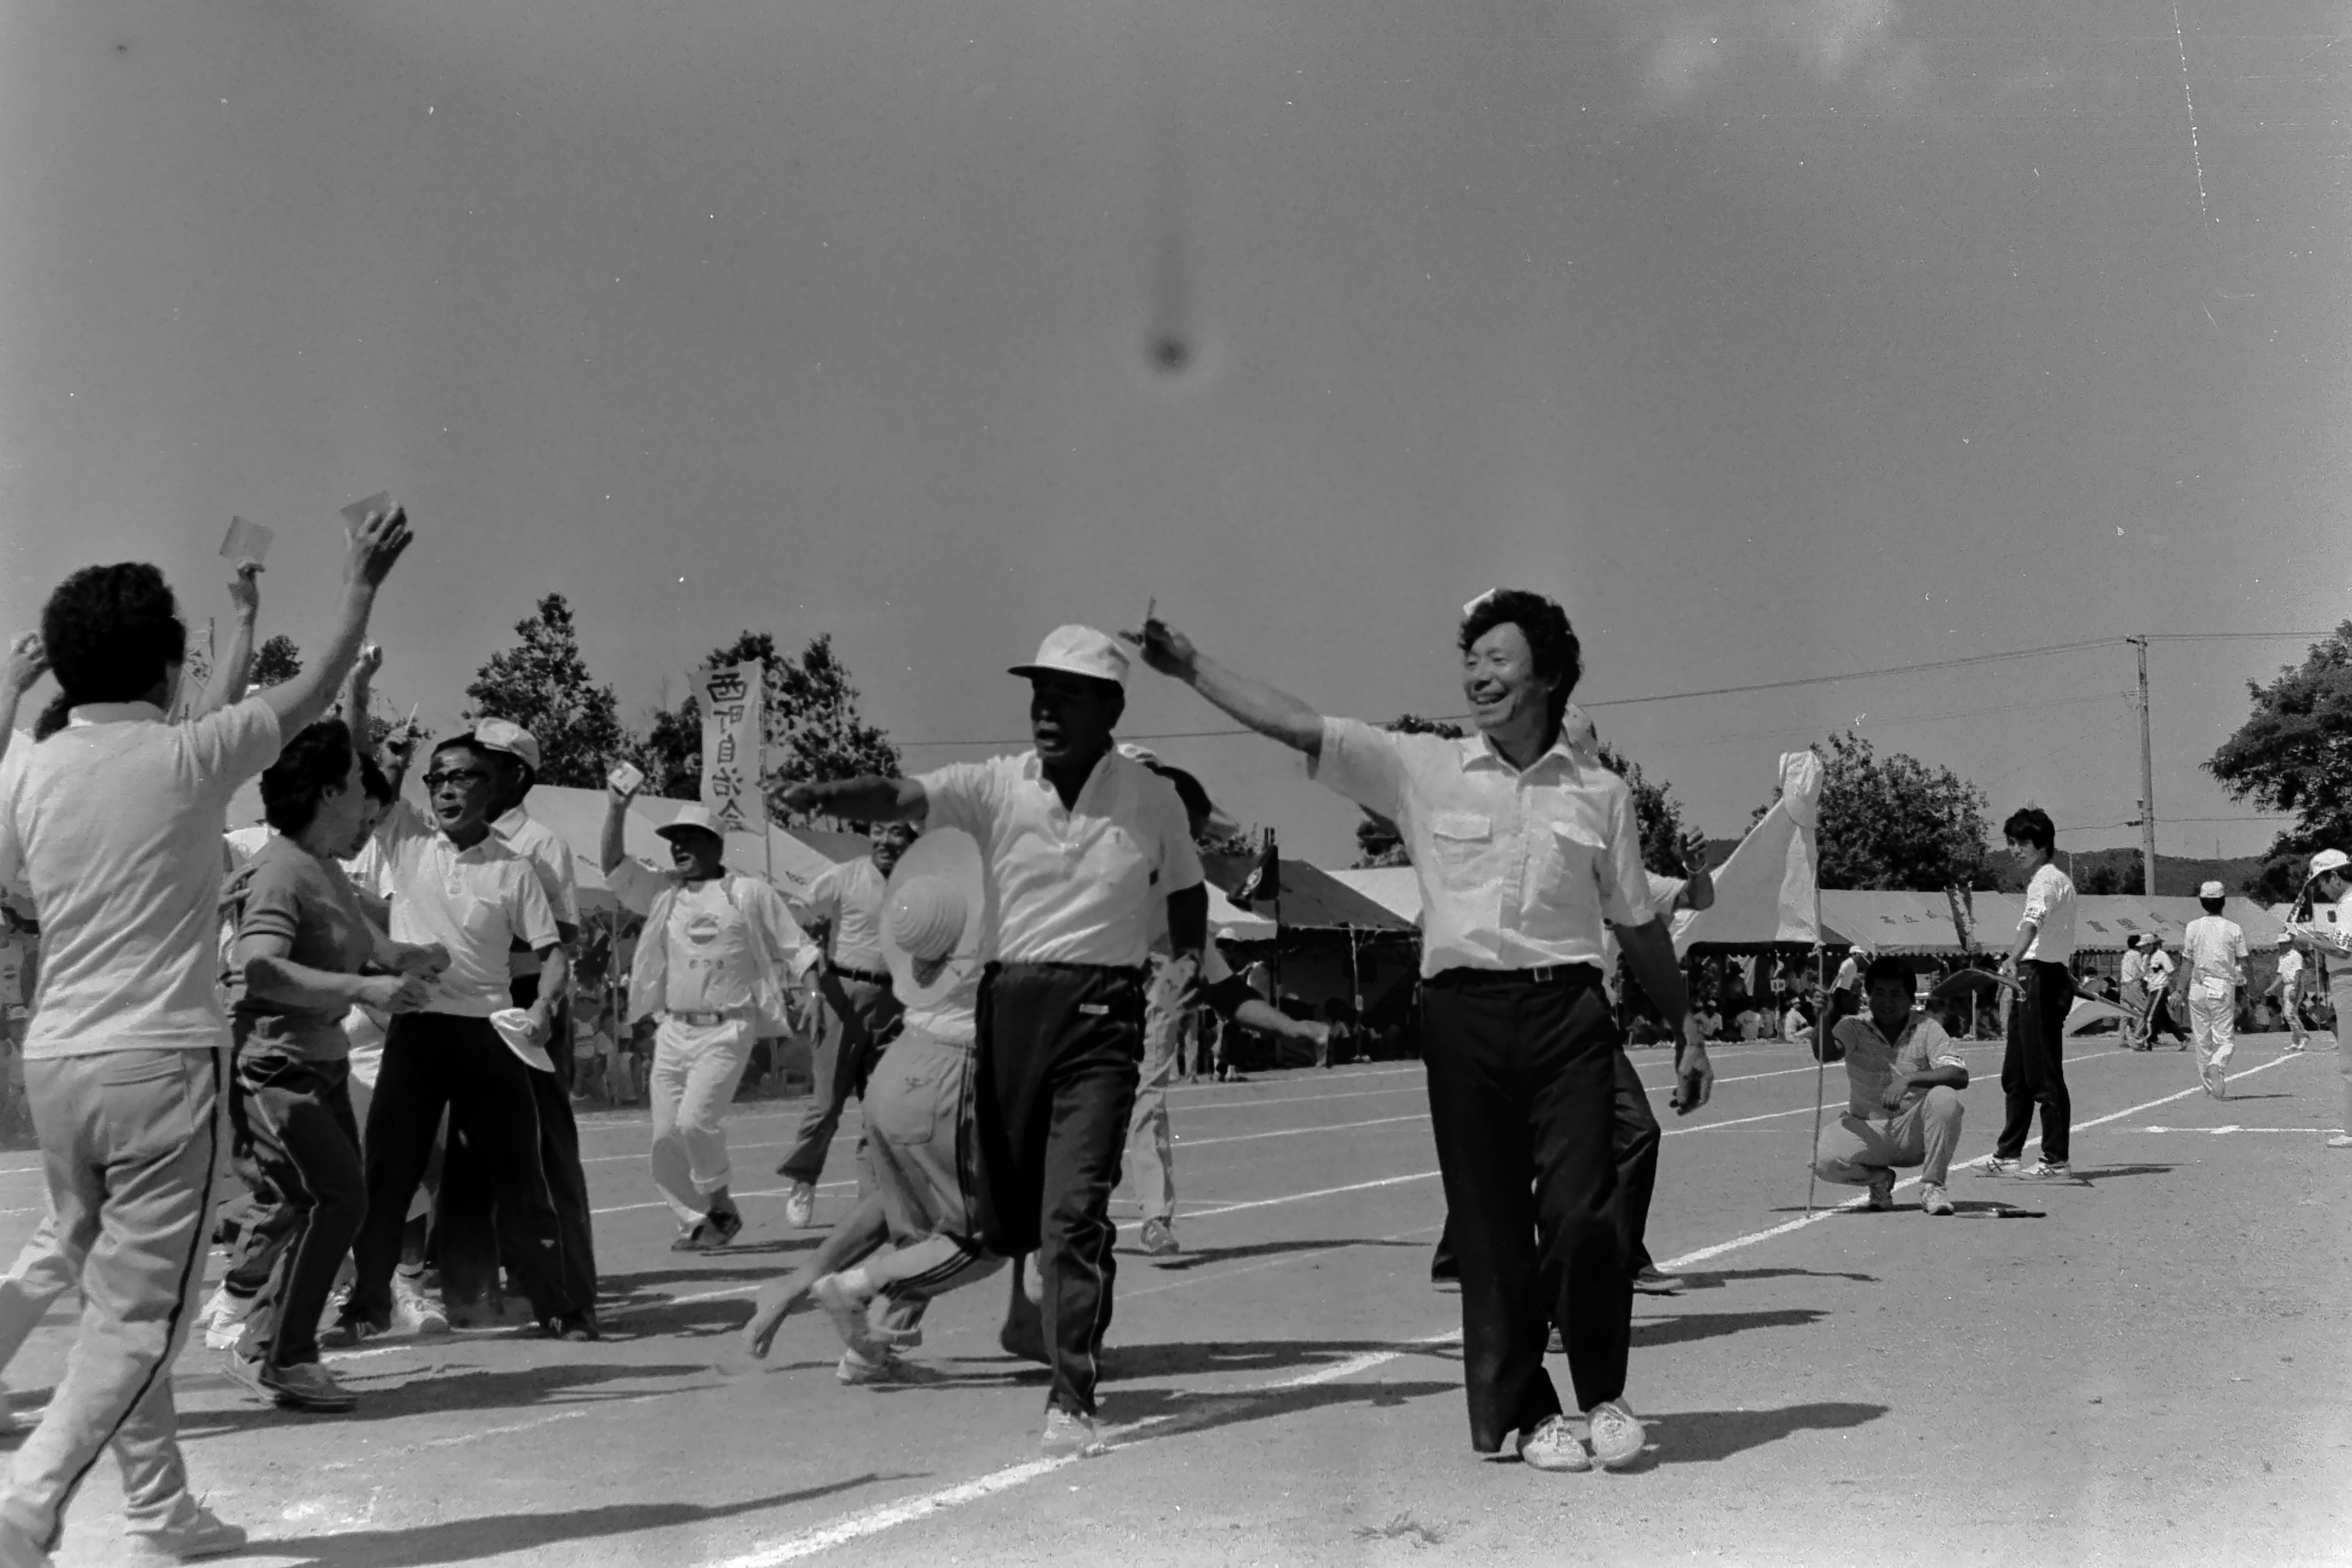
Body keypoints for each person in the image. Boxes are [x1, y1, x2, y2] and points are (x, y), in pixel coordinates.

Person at [1127, 590, 1710, 1475]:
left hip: (1568, 1015)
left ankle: (1604, 1395)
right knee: (1491, 1229)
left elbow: (1635, 922)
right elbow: (1297, 726)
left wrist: (1687, 1026)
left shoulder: (1600, 795)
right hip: (1463, 1015)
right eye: (1470, 660)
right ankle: (1529, 1416)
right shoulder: (1420, 766)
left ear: (1549, 675)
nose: (1479, 674)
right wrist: (1191, 666)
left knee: (1585, 1214)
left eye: (1500, 659)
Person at [0, 505, 412, 1567]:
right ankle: (34, 1494)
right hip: (160, 1064)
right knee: (143, 1322)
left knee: (105, 1284)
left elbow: (11, 878)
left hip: (55, 1066)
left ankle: (158, 1513)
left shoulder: (28, 768)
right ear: (169, 667)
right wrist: (359, 581)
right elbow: (313, 692)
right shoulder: (190, 761)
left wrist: (11, 694)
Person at [777, 625, 1206, 1460]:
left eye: (1067, 693)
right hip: (1010, 1008)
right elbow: (900, 797)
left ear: (1111, 707)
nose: (1045, 707)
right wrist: (827, 791)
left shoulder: (1152, 800)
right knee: (999, 1222)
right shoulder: (995, 784)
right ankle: (863, 1290)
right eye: (1038, 691)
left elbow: (1186, 890)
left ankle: (1072, 1399)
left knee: (1074, 1215)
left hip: (1101, 1015)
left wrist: (1183, 963)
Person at [330, 728, 597, 1345]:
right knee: (388, 1176)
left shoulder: (515, 868)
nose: (448, 789)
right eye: (438, 778)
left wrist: (547, 1006)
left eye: (462, 777)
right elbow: (367, 777)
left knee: (522, 1178)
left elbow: (552, 955)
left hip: (489, 1039)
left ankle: (560, 1307)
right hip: (417, 1033)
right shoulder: (408, 838)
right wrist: (383, 743)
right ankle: (368, 1306)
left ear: (492, 787)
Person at [215, 719, 448, 1412]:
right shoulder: (282, 871)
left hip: (320, 1063)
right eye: (356, 789)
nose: (368, 806)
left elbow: (371, 946)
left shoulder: (325, 871)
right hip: (276, 1069)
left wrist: (413, 958)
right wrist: (363, 989)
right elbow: (256, 968)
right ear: (325, 794)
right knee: (336, 1199)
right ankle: (277, 1353)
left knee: (321, 1202)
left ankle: (261, 1341)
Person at [429, 721, 598, 1327]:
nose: (468, 773)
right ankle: (470, 1290)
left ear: (517, 775)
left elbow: (565, 935)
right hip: (466, 1005)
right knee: (468, 1150)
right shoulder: (448, 838)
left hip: (524, 999)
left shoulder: (538, 843)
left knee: (544, 1150)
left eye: (485, 763)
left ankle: (571, 1296)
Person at [600, 785, 807, 1250]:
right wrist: (616, 808)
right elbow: (614, 866)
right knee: (665, 1138)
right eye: (675, 841)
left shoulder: (748, 894)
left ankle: (720, 1205)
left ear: (717, 846)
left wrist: (819, 988)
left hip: (728, 1028)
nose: (680, 849)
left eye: (692, 840)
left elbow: (797, 946)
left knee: (696, 1123)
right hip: (673, 1029)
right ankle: (697, 1220)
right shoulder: (662, 893)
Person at [777, 822, 914, 1228]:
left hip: (898, 1003)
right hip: (843, 996)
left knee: (883, 1107)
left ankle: (871, 1199)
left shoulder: (924, 883)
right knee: (826, 1106)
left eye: (897, 834)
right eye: (879, 831)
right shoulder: (844, 877)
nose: (886, 842)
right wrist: (810, 978)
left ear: (912, 840)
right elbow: (792, 919)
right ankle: (803, 1179)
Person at [1812, 954, 1969, 1216]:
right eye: (1880, 993)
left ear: (1911, 997)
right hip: (1868, 1130)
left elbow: (1959, 1074)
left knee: (1945, 1098)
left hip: (1913, 1132)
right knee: (1824, 1162)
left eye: (1896, 994)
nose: (1887, 1002)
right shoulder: (1853, 1026)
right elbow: (1826, 1054)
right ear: (1867, 995)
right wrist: (1823, 1019)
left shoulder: (1927, 1028)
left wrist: (1909, 1080)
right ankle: (1879, 1180)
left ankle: (1933, 1186)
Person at [1988, 808, 2077, 1183]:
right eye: (2010, 843)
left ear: (2043, 846)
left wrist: (2012, 957)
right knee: (2017, 1072)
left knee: (2043, 1072)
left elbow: (2032, 922)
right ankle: (2008, 1154)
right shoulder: (2051, 880)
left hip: (2041, 975)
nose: (2015, 850)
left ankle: (2055, 1159)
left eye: (2023, 843)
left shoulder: (2046, 881)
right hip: (2032, 975)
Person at [2283, 849, 2352, 1147]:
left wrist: (2306, 940)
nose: (2322, 889)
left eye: (2322, 882)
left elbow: (2345, 952)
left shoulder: (2349, 904)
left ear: (2334, 876)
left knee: (2350, 1061)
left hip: (2348, 979)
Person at [2180, 881, 2247, 1100]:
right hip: (2221, 986)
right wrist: (2249, 989)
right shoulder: (2233, 928)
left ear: (2202, 902)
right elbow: (2245, 963)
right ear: (2223, 901)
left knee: (2202, 1039)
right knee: (2225, 1039)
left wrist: (2179, 989)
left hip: (2197, 986)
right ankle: (2218, 1064)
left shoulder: (2192, 927)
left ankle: (2210, 1086)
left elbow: (2187, 962)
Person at [2143, 940, 2187, 1047]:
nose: (2143, 949)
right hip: (2152, 989)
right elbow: (2145, 974)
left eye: (2145, 946)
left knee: (2149, 1016)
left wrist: (2174, 990)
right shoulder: (2146, 958)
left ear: (2151, 945)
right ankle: (2183, 1038)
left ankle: (2146, 1040)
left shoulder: (2162, 955)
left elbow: (2171, 971)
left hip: (2161, 988)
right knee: (2164, 1019)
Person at [2117, 935, 2155, 1051]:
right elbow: (2143, 971)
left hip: (2124, 986)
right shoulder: (2137, 955)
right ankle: (2138, 1038)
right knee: (2145, 1011)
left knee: (2125, 1015)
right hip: (2133, 986)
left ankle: (2122, 1039)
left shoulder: (2126, 955)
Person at [2274, 935, 2310, 1052]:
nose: (2281, 946)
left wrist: (2294, 988)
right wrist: (2271, 988)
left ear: (2290, 944)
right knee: (2289, 1013)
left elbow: (2298, 973)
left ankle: (2303, 1036)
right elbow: (2280, 975)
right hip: (2287, 985)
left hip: (2295, 985)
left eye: (2283, 943)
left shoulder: (2295, 956)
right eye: (2280, 944)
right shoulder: (2282, 958)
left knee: (2290, 1014)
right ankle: (2296, 1041)